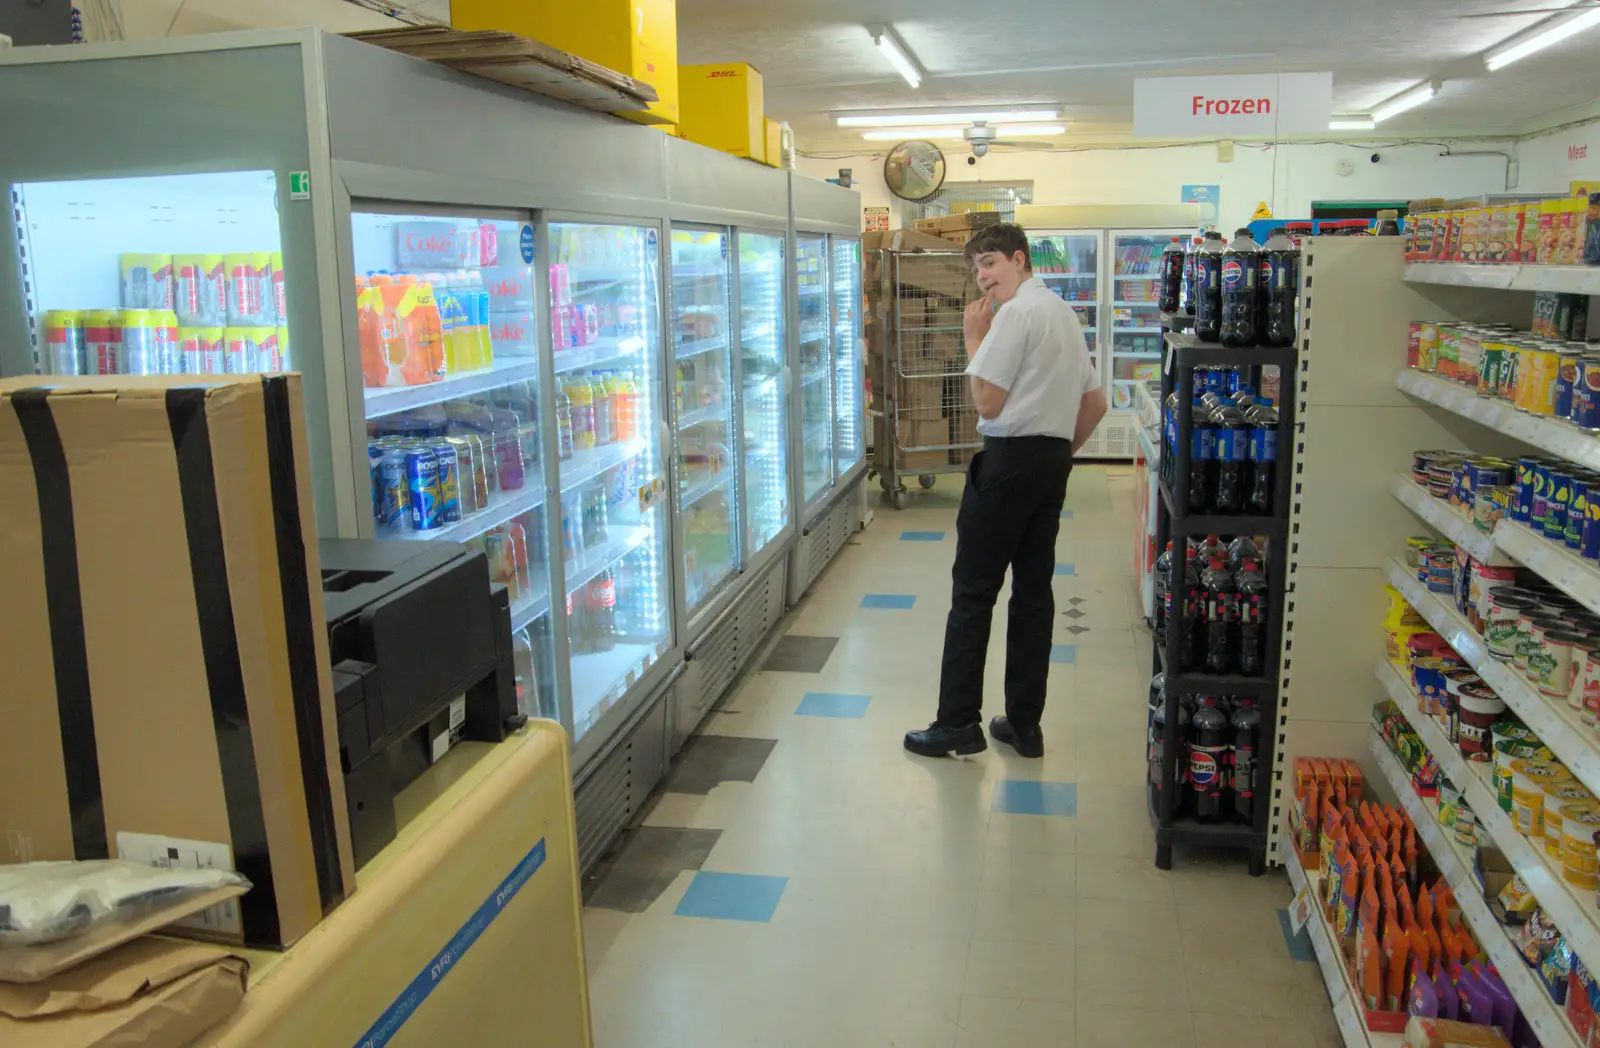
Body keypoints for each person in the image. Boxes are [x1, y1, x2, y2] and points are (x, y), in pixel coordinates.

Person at [904, 222, 1106, 759]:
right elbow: (1096, 404)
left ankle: (956, 723)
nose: (982, 278)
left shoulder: (1016, 314)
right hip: (1049, 466)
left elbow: (988, 403)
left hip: (1008, 461)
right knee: (1033, 596)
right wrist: (1059, 456)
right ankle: (1024, 724)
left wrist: (974, 339)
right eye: (976, 268)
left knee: (973, 592)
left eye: (990, 263)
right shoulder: (1062, 312)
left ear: (1020, 259)